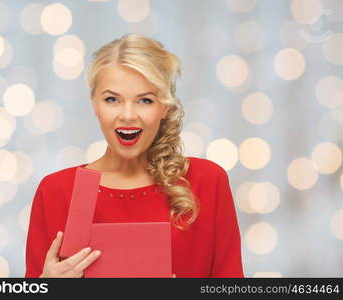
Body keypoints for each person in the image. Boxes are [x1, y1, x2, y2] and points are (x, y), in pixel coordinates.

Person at [25, 33, 244, 278]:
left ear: (164, 107)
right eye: (112, 99)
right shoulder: (58, 191)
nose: (128, 115)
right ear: (95, 105)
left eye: (145, 100)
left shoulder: (205, 181)